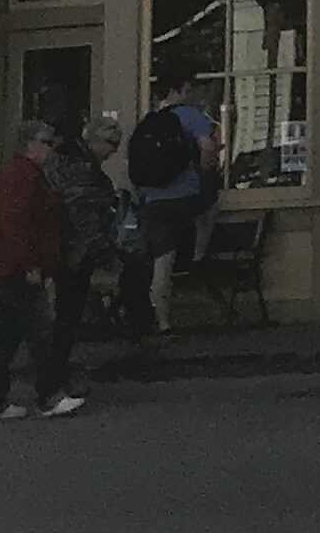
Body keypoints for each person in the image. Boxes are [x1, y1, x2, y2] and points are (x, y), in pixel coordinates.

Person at [0, 119, 84, 420]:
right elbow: (17, 224)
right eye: (47, 142)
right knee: (40, 331)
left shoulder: (16, 175)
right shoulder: (25, 178)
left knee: (7, 335)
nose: (51, 149)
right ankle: (49, 395)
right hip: (17, 266)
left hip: (5, 264)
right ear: (31, 145)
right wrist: (31, 264)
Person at [122, 66, 224, 336]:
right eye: (187, 90)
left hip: (153, 201)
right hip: (186, 196)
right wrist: (206, 175)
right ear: (178, 91)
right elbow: (208, 147)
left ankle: (163, 323)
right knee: (212, 201)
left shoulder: (146, 123)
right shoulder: (190, 115)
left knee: (162, 259)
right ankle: (199, 254)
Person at [45, 112, 127, 359]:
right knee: (67, 313)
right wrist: (105, 254)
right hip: (73, 251)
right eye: (112, 144)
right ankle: (55, 373)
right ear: (94, 140)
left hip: (69, 247)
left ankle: (56, 370)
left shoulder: (71, 162)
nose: (114, 151)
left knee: (65, 313)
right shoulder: (81, 168)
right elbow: (84, 218)